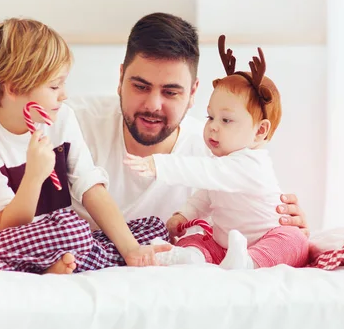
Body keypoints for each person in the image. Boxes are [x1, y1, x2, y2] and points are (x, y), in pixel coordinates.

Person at [0, 18, 171, 274]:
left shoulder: (62, 119)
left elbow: (90, 188)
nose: (64, 94)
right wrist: (34, 176)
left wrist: (131, 250)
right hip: (0, 239)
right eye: (54, 86)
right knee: (74, 229)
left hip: (56, 238)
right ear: (13, 88)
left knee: (155, 229)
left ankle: (60, 263)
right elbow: (9, 224)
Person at [68, 13, 308, 238]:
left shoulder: (219, 152)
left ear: (193, 92)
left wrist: (286, 230)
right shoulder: (72, 123)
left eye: (170, 92)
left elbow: (253, 226)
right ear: (120, 79)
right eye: (140, 87)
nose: (153, 105)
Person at [124, 35, 310, 269]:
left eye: (226, 120)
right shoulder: (220, 163)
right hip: (225, 243)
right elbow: (205, 195)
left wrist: (158, 165)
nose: (213, 126)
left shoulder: (251, 164)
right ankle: (189, 256)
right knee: (200, 235)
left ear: (259, 131)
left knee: (295, 241)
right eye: (210, 117)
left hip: (265, 236)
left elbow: (204, 172)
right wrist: (184, 215)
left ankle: (249, 262)